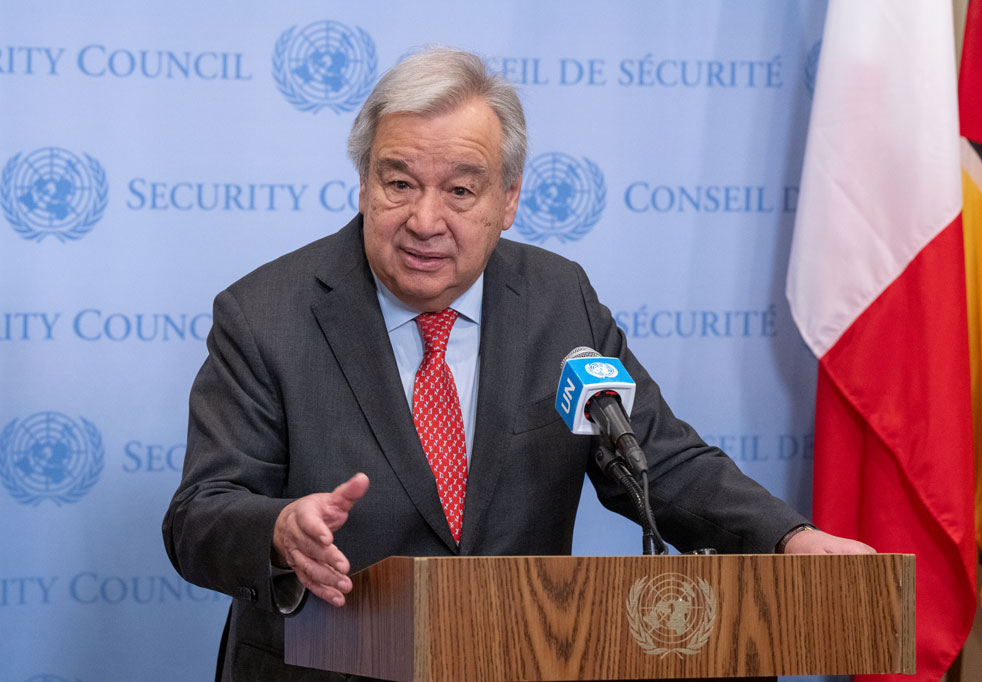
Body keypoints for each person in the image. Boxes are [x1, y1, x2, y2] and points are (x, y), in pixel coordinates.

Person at [162, 46, 872, 682]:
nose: (425, 220)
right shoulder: (264, 315)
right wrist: (281, 532)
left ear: (509, 200)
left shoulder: (558, 300)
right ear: (363, 183)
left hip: (518, 659)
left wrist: (789, 538)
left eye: (461, 190)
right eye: (399, 183)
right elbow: (201, 515)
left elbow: (656, 459)